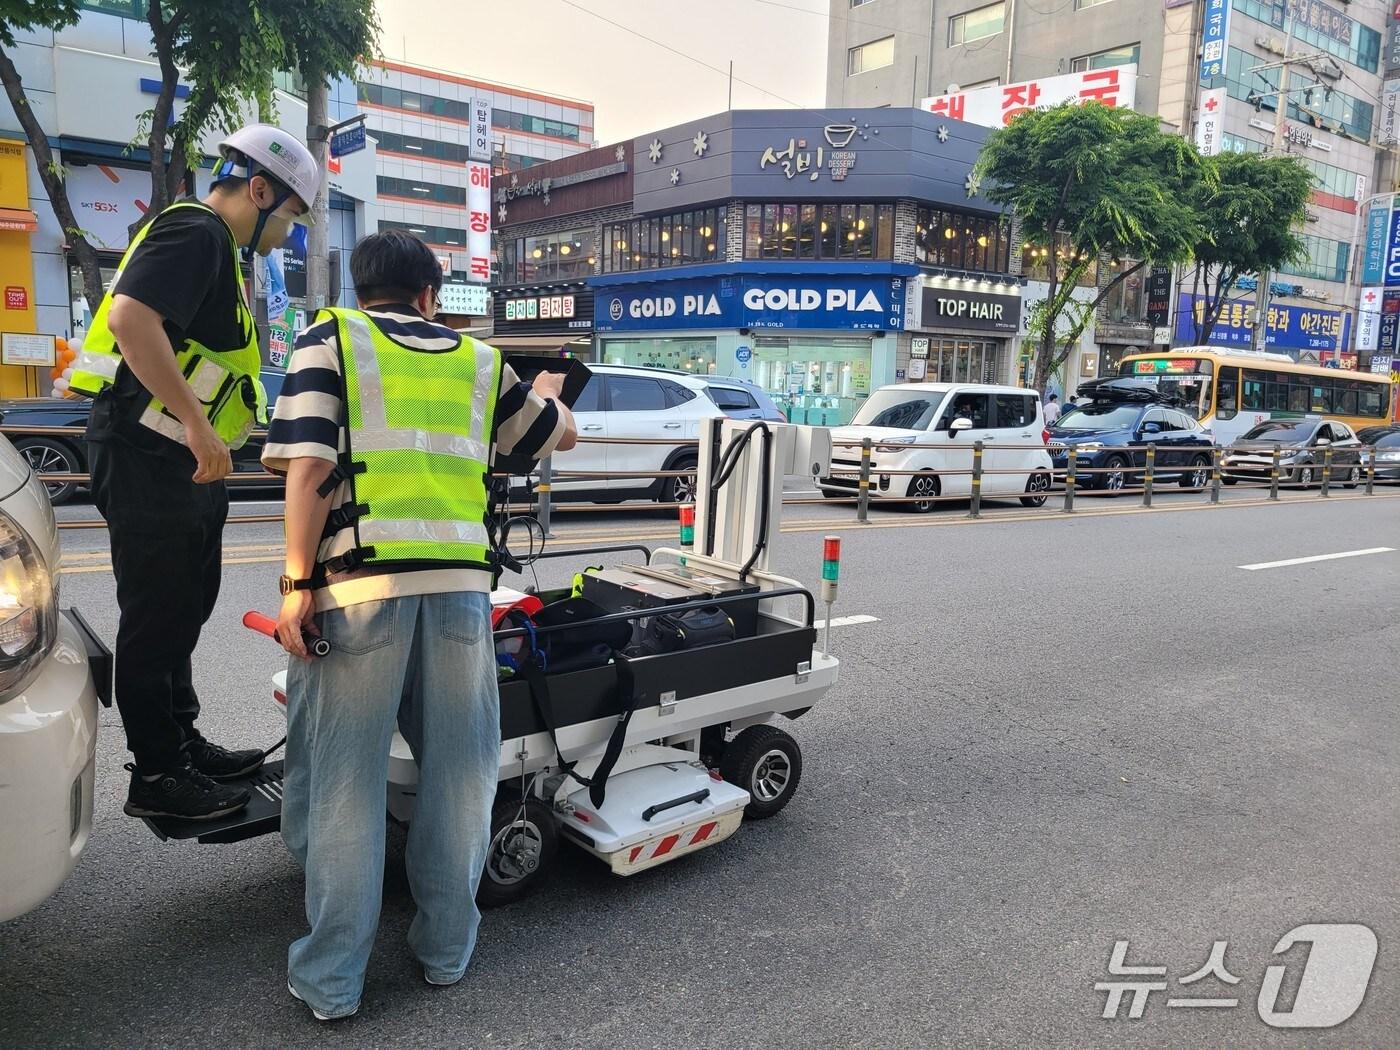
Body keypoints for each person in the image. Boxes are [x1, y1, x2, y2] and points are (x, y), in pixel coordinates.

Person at [262, 230, 577, 1021]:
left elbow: (307, 468)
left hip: (358, 592)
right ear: (431, 295)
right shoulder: (480, 361)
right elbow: (553, 436)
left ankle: (332, 980)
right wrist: (549, 393)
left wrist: (297, 582)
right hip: (462, 596)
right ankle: (444, 952)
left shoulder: (330, 337)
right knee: (459, 778)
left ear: (362, 288)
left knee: (343, 786)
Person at [71, 125, 319, 821]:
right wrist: (196, 424)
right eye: (293, 216)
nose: (290, 234)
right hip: (149, 452)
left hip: (176, 460)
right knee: (157, 613)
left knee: (185, 602)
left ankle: (181, 742)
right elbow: (131, 320)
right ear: (261, 191)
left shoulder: (217, 249)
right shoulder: (198, 231)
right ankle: (158, 775)